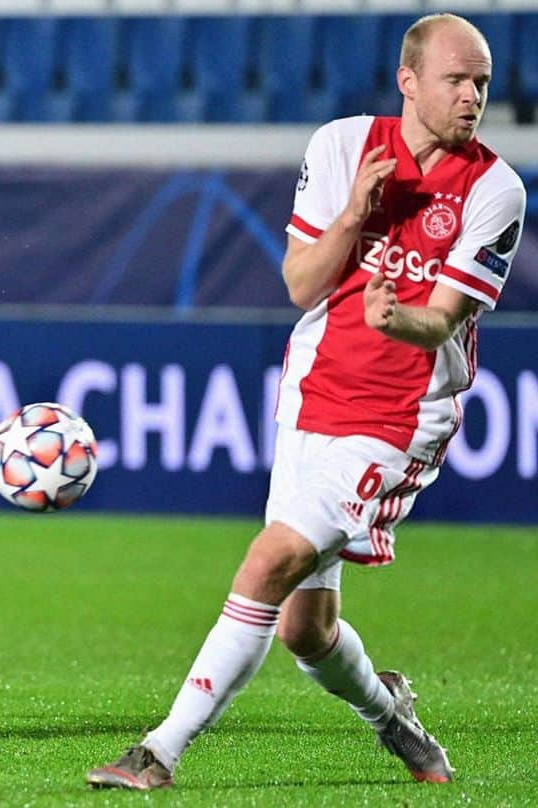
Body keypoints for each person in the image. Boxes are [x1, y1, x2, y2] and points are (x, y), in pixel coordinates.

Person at [88, 13, 525, 790]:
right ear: (410, 80)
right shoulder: (340, 147)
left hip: (400, 418)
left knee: (272, 557)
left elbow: (448, 318)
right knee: (304, 627)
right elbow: (299, 284)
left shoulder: (494, 189)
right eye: (457, 80)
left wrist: (402, 320)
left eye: (482, 83)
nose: (472, 97)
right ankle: (397, 721)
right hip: (312, 392)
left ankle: (160, 749)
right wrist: (356, 214)